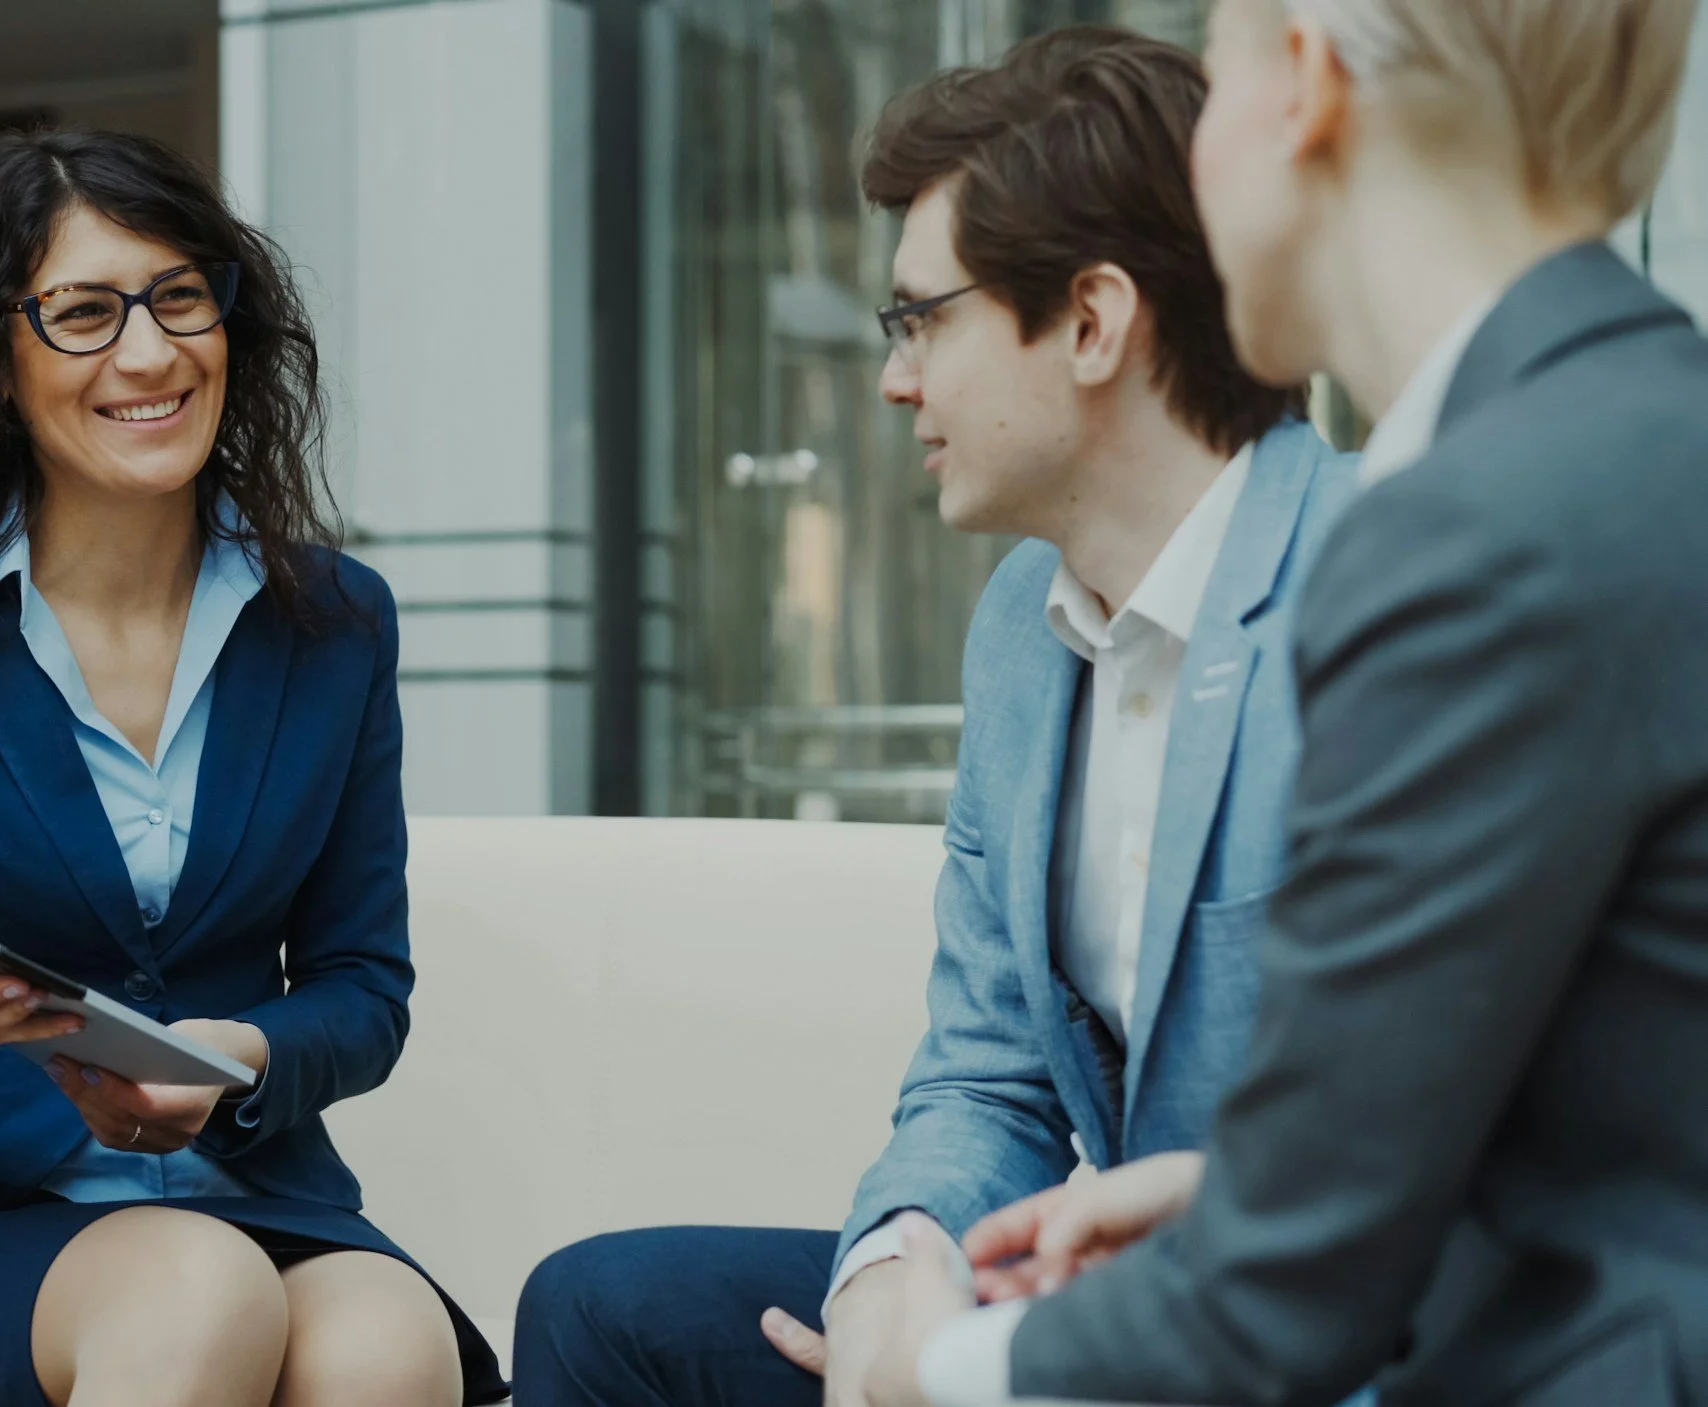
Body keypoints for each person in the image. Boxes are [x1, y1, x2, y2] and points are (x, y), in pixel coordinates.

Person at [872, 1, 1708, 1404]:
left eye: (1214, 75)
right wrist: (1229, 1188)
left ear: (1302, 87)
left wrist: (939, 1367)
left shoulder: (1474, 527)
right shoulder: (1625, 439)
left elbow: (1286, 1306)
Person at [511, 28, 1357, 1407]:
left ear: (1091, 319)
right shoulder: (1023, 634)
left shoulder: (1393, 583)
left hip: (1320, 1325)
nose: (894, 377)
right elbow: (989, 1074)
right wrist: (900, 1273)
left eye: (924, 319)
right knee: (607, 1308)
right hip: (1093, 1298)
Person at [0, 127, 503, 1407]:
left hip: (257, 1191)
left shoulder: (334, 624)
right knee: (192, 1290)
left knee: (389, 1346)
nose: (150, 351)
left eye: (179, 296)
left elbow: (359, 990)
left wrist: (237, 1061)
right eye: (83, 313)